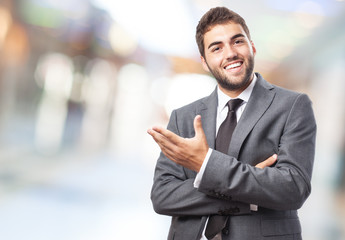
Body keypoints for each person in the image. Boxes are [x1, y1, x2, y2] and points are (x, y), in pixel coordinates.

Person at [147, 6, 316, 240]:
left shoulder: (293, 106)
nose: (230, 54)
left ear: (252, 46)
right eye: (216, 48)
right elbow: (163, 196)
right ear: (205, 62)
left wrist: (205, 165)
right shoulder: (183, 116)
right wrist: (250, 190)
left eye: (237, 42)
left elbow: (293, 188)